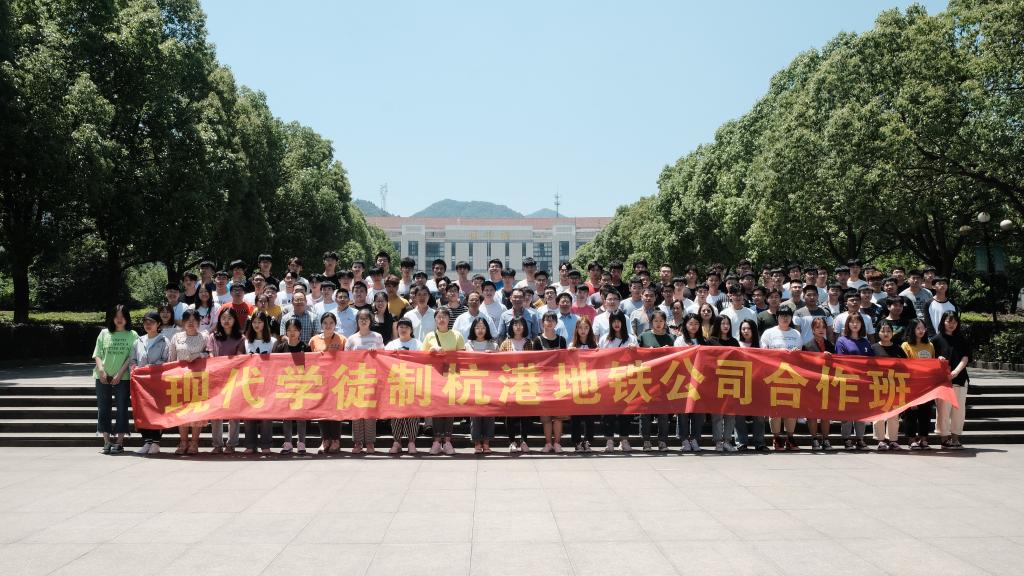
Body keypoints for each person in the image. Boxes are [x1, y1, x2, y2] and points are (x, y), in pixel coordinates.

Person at [91, 305, 136, 455]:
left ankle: (119, 442)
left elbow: (131, 357)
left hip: (123, 378)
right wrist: (101, 371)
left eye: (122, 316)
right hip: (102, 377)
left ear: (127, 318)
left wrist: (120, 374)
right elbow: (98, 354)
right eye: (116, 316)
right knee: (103, 408)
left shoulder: (132, 335)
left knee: (122, 408)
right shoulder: (104, 333)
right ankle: (106, 441)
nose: (119, 319)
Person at [421, 308, 465, 455]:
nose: (441, 319)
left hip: (452, 378)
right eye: (439, 317)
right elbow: (421, 357)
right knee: (436, 409)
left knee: (449, 410)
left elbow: (462, 356)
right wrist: (431, 352)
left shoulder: (457, 335)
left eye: (444, 316)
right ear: (435, 319)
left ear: (449, 319)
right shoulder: (429, 336)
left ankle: (447, 440)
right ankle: (436, 441)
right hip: (435, 378)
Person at [760, 306, 803, 451]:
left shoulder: (796, 334)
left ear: (791, 318)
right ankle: (776, 437)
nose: (785, 318)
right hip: (774, 375)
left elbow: (800, 354)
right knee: (775, 409)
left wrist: (795, 353)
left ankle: (790, 437)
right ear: (777, 317)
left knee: (791, 409)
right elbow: (763, 353)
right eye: (782, 315)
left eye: (787, 316)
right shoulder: (769, 333)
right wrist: (779, 352)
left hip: (792, 376)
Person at [168, 310, 209, 454]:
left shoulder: (204, 337)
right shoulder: (176, 337)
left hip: (198, 380)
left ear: (199, 322)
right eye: (188, 320)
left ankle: (194, 443)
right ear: (183, 322)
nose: (191, 323)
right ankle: (183, 442)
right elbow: (171, 358)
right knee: (182, 412)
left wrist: (198, 355)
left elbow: (210, 355)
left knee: (197, 412)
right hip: (180, 381)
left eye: (194, 320)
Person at [344, 309, 385, 454]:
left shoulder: (377, 337)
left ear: (370, 321)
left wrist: (376, 353)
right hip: (356, 379)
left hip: (372, 379)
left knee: (370, 412)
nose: (363, 321)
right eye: (360, 318)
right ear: (357, 321)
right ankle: (357, 442)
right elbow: (345, 359)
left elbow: (384, 357)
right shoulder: (351, 339)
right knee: (356, 413)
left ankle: (370, 442)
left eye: (366, 318)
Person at [206, 307, 246, 454]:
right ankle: (217, 444)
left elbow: (239, 357)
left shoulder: (241, 338)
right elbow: (210, 355)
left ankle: (231, 444)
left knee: (233, 413)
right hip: (216, 378)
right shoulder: (213, 337)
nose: (226, 321)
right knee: (216, 412)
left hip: (233, 379)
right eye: (223, 318)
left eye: (229, 318)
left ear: (234, 320)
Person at [130, 311, 169, 455]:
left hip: (157, 382)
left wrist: (150, 368)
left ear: (158, 324)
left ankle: (156, 442)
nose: (148, 325)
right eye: (145, 322)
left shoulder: (164, 341)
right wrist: (134, 369)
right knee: (143, 411)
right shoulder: (138, 341)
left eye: (151, 322)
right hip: (141, 384)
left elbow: (166, 360)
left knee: (156, 411)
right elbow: (132, 360)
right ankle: (147, 441)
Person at [598, 311, 637, 453]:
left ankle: (624, 440)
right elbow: (599, 359)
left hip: (626, 381)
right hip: (609, 381)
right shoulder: (604, 339)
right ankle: (609, 441)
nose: (616, 324)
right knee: (608, 413)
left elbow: (638, 359)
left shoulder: (631, 339)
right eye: (613, 321)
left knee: (625, 412)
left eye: (619, 321)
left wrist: (634, 350)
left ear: (623, 323)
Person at [309, 312, 347, 454]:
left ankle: (336, 440)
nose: (328, 325)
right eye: (325, 323)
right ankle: (325, 440)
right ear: (321, 324)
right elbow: (310, 360)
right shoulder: (314, 340)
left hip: (337, 380)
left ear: (335, 324)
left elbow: (349, 359)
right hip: (320, 380)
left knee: (335, 411)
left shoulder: (342, 339)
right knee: (322, 410)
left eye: (331, 323)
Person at [273, 318, 312, 454]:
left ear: (300, 331)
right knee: (287, 416)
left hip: (301, 385)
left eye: (295, 330)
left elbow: (311, 365)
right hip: (285, 385)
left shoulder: (305, 347)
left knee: (301, 416)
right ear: (285, 332)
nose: (292, 333)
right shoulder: (280, 347)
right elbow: (274, 366)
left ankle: (301, 442)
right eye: (289, 330)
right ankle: (288, 443)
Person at [933, 311, 971, 450]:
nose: (951, 324)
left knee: (958, 411)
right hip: (943, 380)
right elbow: (931, 358)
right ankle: (944, 438)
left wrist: (955, 372)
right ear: (943, 322)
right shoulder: (936, 339)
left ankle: (955, 438)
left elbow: (965, 357)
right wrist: (938, 360)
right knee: (943, 410)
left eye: (954, 322)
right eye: (949, 321)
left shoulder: (961, 338)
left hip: (960, 379)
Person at [835, 313, 873, 450]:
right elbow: (840, 361)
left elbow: (872, 362)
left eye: (858, 322)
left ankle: (860, 438)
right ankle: (846, 438)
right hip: (847, 380)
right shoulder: (842, 340)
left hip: (862, 382)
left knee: (861, 411)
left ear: (862, 324)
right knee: (847, 411)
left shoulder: (865, 342)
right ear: (847, 324)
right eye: (852, 322)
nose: (855, 324)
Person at [638, 310, 674, 452]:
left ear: (665, 322)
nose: (658, 324)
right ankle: (646, 440)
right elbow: (636, 355)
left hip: (664, 379)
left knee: (663, 413)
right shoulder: (644, 336)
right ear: (651, 322)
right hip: (647, 379)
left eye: (661, 321)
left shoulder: (670, 338)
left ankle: (662, 441)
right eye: (655, 321)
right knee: (645, 412)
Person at [385, 318, 422, 454]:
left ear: (411, 330)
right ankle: (397, 442)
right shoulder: (391, 345)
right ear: (397, 329)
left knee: (413, 414)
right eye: (400, 327)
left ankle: (412, 442)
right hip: (395, 384)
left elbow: (422, 362)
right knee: (396, 414)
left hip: (413, 383)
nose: (403, 329)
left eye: (406, 327)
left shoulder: (418, 344)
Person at [533, 311, 568, 453]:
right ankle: (548, 443)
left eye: (552, 320)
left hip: (559, 381)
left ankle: (557, 443)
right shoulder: (537, 340)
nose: (549, 323)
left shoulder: (562, 340)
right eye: (547, 320)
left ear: (556, 323)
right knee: (546, 416)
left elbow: (566, 360)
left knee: (558, 416)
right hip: (543, 382)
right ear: (542, 323)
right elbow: (535, 362)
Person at [242, 311, 276, 455]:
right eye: (254, 322)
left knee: (266, 416)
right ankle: (250, 444)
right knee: (249, 415)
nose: (257, 325)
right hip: (249, 384)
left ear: (265, 324)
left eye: (260, 322)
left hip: (267, 384)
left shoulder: (273, 342)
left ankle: (266, 444)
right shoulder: (245, 342)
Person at [499, 317, 533, 454]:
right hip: (509, 382)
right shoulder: (505, 344)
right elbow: (499, 362)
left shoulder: (529, 343)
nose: (518, 327)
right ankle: (512, 441)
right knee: (510, 414)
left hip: (525, 381)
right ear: (511, 327)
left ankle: (524, 441)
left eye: (521, 324)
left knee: (525, 414)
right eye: (515, 324)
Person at [871, 320, 906, 451]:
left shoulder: (898, 348)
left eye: (888, 331)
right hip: (877, 385)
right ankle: (880, 440)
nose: (886, 333)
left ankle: (892, 440)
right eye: (883, 331)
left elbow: (907, 365)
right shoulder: (873, 348)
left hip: (895, 385)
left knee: (894, 414)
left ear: (892, 333)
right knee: (878, 414)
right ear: (878, 332)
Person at [901, 318, 936, 450]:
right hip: (911, 384)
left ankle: (923, 439)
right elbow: (903, 366)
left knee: (925, 413)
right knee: (911, 413)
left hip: (926, 385)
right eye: (918, 328)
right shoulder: (906, 345)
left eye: (923, 328)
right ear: (912, 330)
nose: (921, 331)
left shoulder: (930, 345)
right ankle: (911, 439)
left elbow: (933, 364)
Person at [465, 317, 498, 454]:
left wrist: (493, 355)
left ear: (487, 329)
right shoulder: (468, 345)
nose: (480, 330)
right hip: (474, 383)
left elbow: (499, 364)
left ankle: (487, 442)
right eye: (477, 327)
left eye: (483, 327)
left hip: (490, 384)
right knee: (475, 415)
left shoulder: (493, 345)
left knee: (489, 414)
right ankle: (477, 442)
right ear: (473, 329)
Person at [674, 313, 706, 452]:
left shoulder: (703, 340)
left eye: (696, 324)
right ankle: (684, 439)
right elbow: (677, 358)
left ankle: (695, 439)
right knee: (683, 412)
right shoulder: (680, 340)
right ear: (685, 325)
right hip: (683, 379)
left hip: (699, 380)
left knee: (698, 412)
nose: (693, 326)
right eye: (691, 324)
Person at [802, 317, 835, 451]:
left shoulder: (830, 345)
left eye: (823, 327)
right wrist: (820, 357)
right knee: (812, 413)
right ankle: (814, 439)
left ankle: (825, 439)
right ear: (813, 329)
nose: (821, 330)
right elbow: (804, 365)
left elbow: (836, 365)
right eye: (818, 327)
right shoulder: (807, 345)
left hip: (827, 382)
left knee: (826, 413)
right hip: (812, 384)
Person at [567, 316, 599, 452]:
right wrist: (570, 353)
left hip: (590, 383)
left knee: (589, 415)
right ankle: (576, 442)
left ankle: (587, 441)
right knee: (576, 415)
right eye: (580, 327)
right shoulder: (572, 345)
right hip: (576, 384)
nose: (583, 330)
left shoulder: (594, 346)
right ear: (576, 329)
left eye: (586, 327)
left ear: (590, 329)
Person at [735, 319, 767, 451]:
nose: (746, 331)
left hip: (757, 383)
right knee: (739, 414)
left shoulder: (761, 345)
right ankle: (741, 441)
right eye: (743, 329)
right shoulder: (736, 344)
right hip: (740, 382)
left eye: (748, 328)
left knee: (759, 414)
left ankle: (759, 442)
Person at [708, 314, 739, 453]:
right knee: (717, 414)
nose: (726, 326)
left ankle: (727, 440)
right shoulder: (711, 341)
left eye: (728, 323)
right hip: (716, 381)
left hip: (732, 380)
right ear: (717, 325)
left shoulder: (734, 341)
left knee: (730, 414)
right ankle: (718, 441)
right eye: (723, 323)